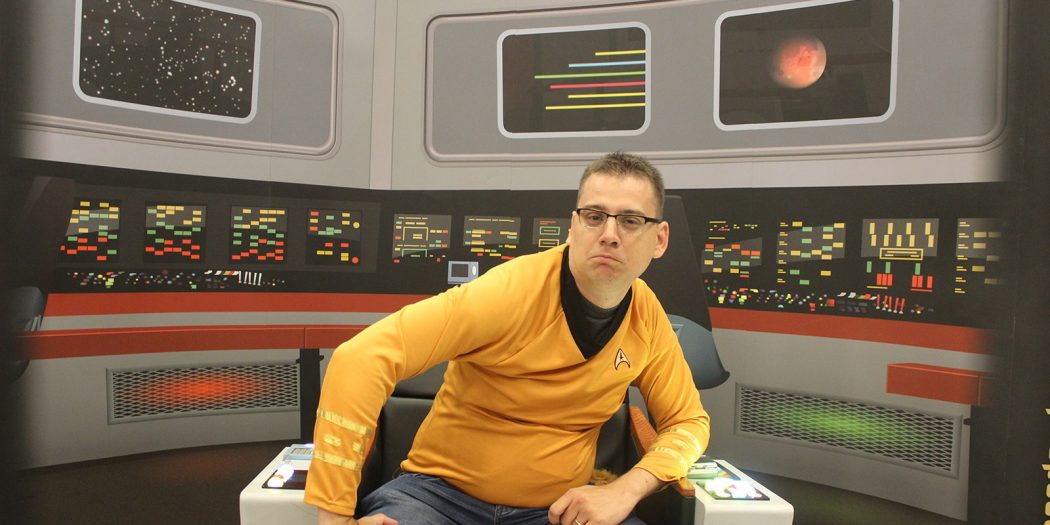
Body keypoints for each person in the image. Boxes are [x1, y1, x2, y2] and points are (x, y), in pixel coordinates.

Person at [305, 152, 710, 525]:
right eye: (593, 216)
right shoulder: (507, 292)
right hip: (437, 499)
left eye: (630, 221)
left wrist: (626, 489)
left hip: (558, 510)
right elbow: (360, 359)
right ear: (573, 227)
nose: (609, 234)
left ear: (660, 239)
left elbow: (688, 422)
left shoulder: (647, 318)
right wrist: (335, 518)